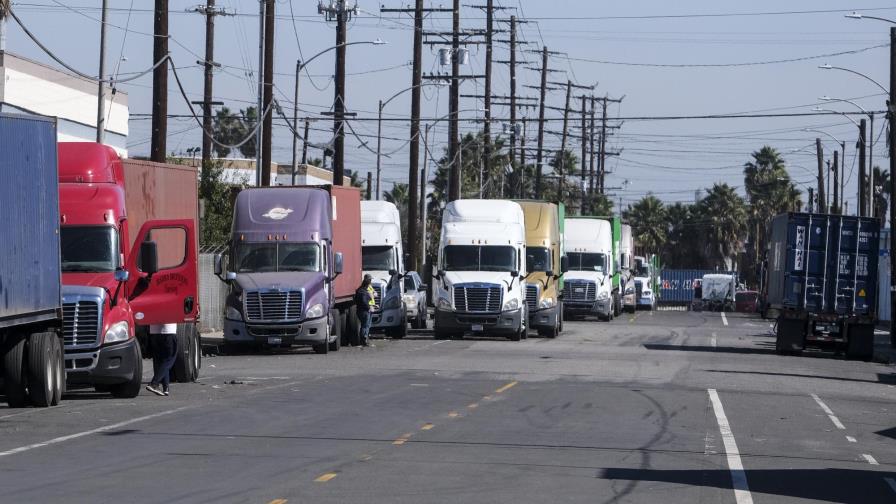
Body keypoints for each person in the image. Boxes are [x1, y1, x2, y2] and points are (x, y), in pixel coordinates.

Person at [146, 324, 178, 396]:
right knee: (169, 360)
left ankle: (165, 388)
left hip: (154, 332)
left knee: (160, 360)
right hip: (168, 331)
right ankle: (154, 383)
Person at [354, 274, 377, 347]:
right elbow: (364, 301)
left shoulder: (363, 289)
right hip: (364, 311)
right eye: (370, 280)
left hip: (365, 310)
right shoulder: (362, 290)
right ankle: (364, 341)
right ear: (368, 281)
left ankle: (364, 340)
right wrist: (369, 307)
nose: (370, 282)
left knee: (366, 325)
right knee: (365, 325)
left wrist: (372, 305)